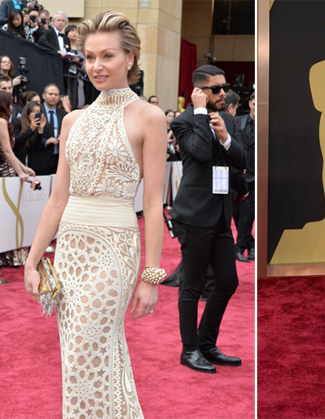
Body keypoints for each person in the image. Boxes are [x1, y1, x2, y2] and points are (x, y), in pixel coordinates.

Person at [23, 10, 166, 418]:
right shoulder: (73, 120)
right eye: (89, 57)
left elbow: (154, 203)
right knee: (81, 354)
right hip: (70, 250)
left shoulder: (149, 117)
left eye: (107, 56)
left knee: (88, 343)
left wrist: (151, 277)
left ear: (131, 58)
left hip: (113, 250)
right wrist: (34, 261)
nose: (96, 67)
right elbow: (56, 199)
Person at [169, 64, 246, 374]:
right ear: (199, 92)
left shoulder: (225, 119)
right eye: (216, 88)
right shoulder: (184, 122)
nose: (223, 93)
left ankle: (206, 342)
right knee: (193, 285)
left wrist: (226, 137)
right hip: (194, 215)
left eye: (224, 86)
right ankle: (189, 350)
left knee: (228, 280)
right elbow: (200, 153)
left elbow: (241, 161)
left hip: (220, 214)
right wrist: (201, 115)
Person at [0, 91, 34, 266]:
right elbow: (7, 151)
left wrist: (23, 168)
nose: (12, 107)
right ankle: (9, 257)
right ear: (2, 105)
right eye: (9, 103)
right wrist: (20, 173)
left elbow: (5, 153)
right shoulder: (1, 122)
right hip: (5, 173)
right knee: (11, 216)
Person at [233, 91, 255, 262]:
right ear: (250, 103)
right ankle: (251, 244)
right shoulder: (237, 122)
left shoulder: (265, 124)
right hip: (237, 175)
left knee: (247, 214)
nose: (256, 107)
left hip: (255, 177)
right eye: (254, 103)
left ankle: (239, 248)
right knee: (236, 213)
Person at [28, 83, 65, 175]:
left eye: (56, 94)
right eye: (50, 94)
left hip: (58, 161)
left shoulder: (63, 114)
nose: (53, 97)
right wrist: (46, 141)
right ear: (44, 96)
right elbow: (31, 136)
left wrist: (63, 137)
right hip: (40, 159)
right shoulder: (37, 113)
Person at [14, 99, 44, 164]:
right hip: (18, 161)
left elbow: (37, 147)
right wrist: (31, 130)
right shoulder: (18, 122)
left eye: (37, 112)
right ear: (28, 112)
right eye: (32, 111)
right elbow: (16, 141)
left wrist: (40, 131)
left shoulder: (36, 126)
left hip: (31, 162)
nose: (34, 114)